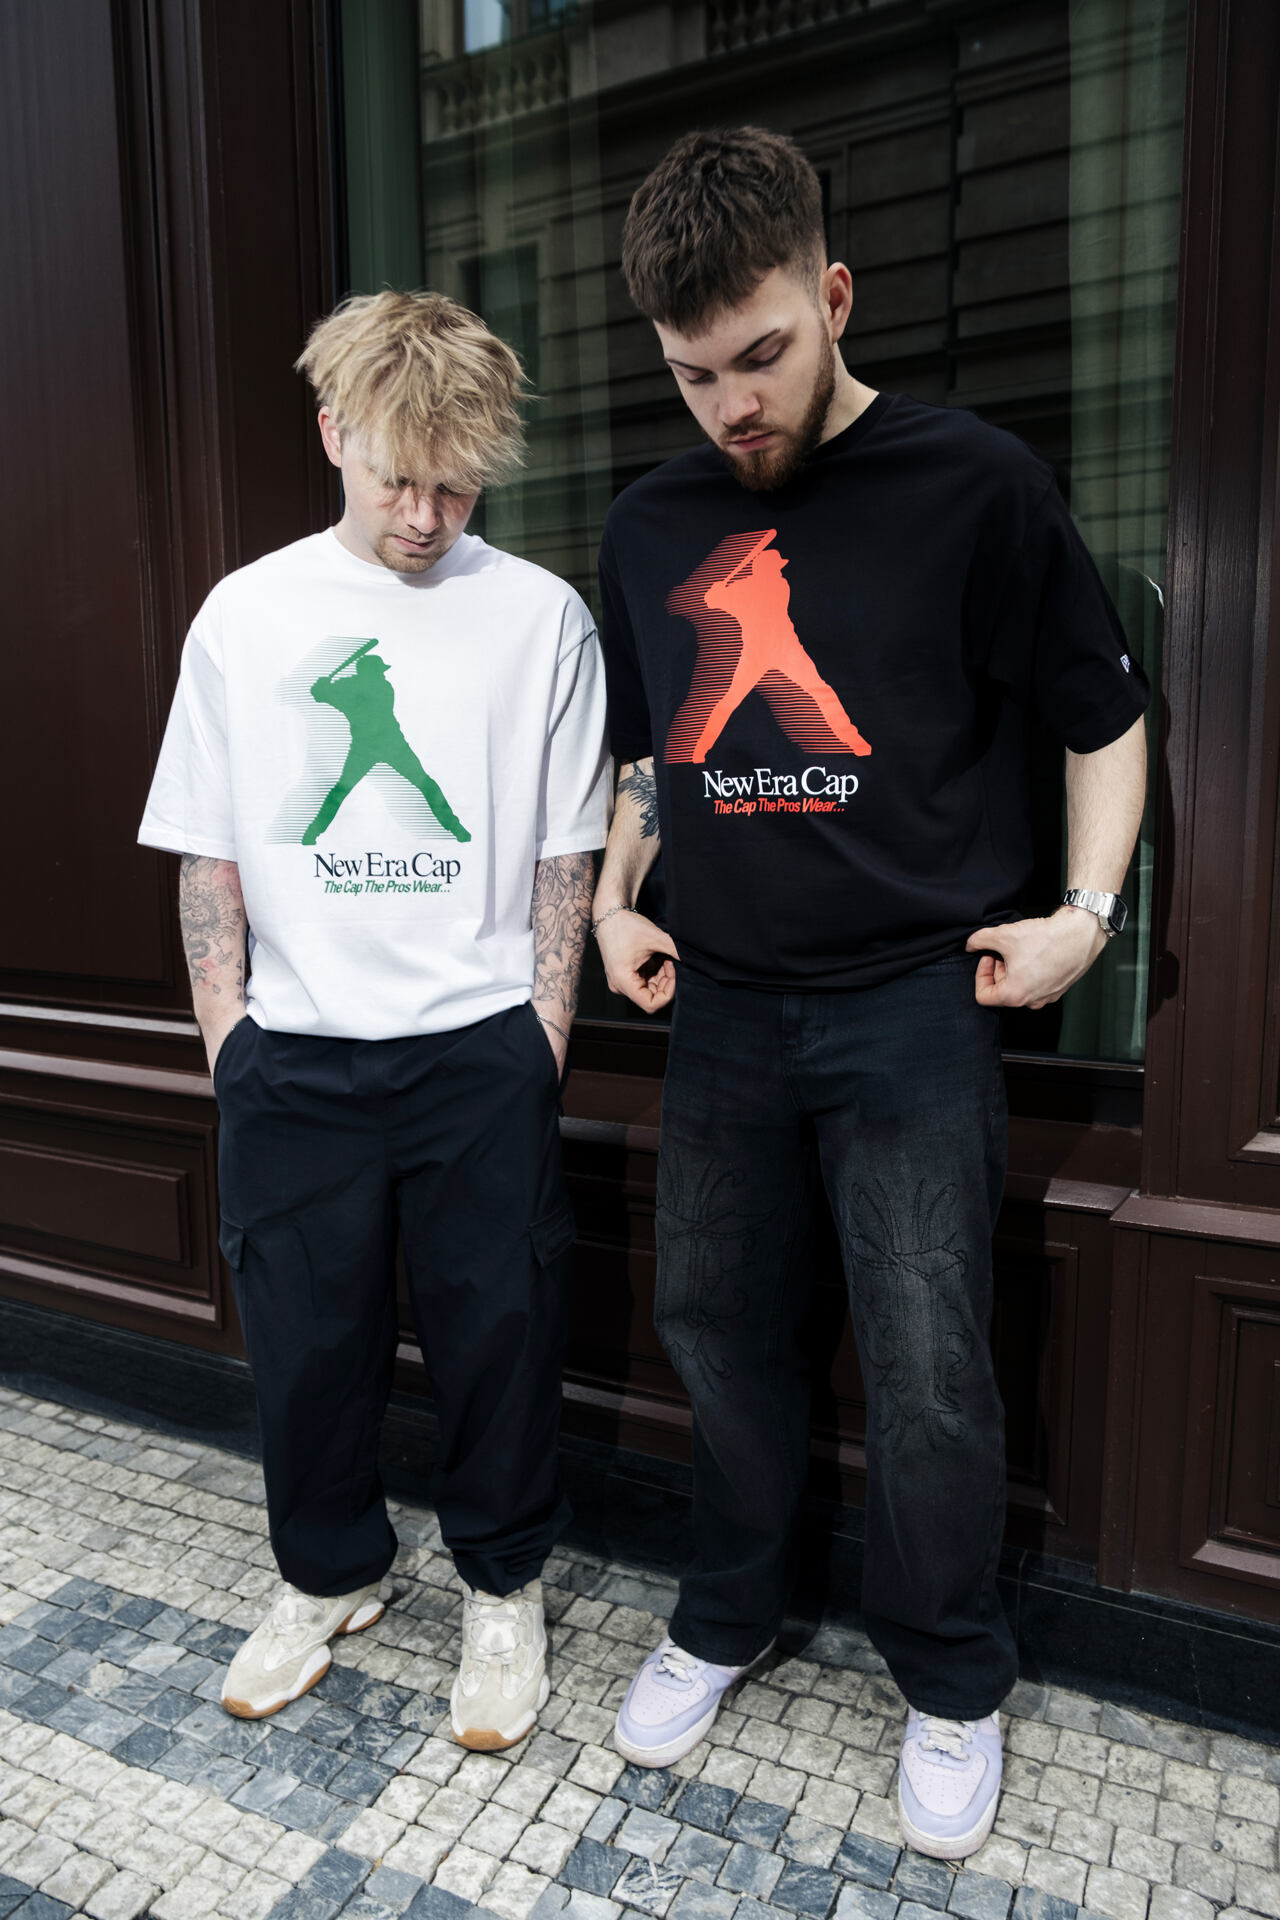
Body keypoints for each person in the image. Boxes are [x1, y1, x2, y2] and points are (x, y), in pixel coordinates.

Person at [592, 128, 1148, 1860]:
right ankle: (730, 1610)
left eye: (760, 356)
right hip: (723, 1004)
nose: (731, 407)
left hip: (913, 1000)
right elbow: (649, 749)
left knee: (925, 1363)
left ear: (834, 296)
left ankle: (951, 1673)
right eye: (694, 374)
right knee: (715, 1326)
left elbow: (1102, 714)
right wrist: (614, 899)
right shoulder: (651, 521)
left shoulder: (972, 484)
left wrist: (1085, 917)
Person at [139, 290, 609, 1749]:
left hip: (478, 1050)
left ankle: (502, 1591)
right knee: (303, 1340)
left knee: (499, 1336)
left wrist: (538, 1038)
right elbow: (209, 847)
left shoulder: (541, 617)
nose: (424, 516)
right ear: (334, 431)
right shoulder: (247, 613)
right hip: (295, 1053)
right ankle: (326, 1574)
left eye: (457, 485)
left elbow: (567, 856)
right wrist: (231, 1043)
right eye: (400, 477)